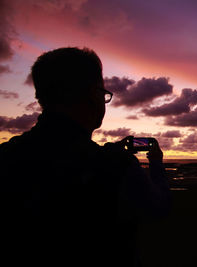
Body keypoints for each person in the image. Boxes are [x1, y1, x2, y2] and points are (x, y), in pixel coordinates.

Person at [0, 47, 170, 266]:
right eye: (103, 92)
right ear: (92, 95)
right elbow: (159, 207)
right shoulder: (115, 165)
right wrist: (156, 164)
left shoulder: (7, 156)